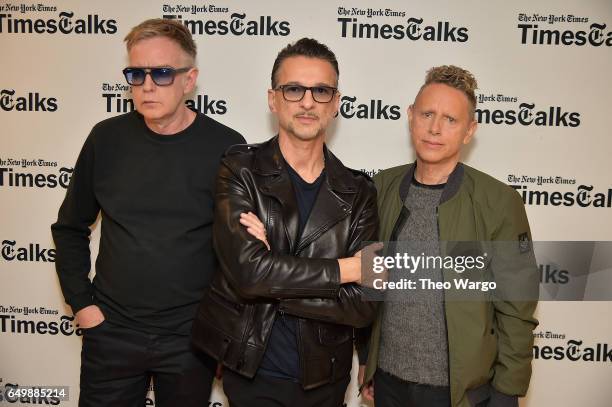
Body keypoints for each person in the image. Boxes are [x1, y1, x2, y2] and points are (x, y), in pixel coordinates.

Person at [51, 18, 244, 407]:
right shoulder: (105, 139)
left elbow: (237, 252)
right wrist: (83, 306)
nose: (147, 85)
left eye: (161, 73)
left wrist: (223, 329)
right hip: (112, 332)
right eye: (136, 74)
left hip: (191, 337)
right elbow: (70, 227)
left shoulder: (227, 147)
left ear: (189, 80)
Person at [190, 38, 378, 407]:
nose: (307, 102)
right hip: (252, 371)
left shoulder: (358, 191)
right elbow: (248, 275)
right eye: (293, 89)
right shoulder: (240, 169)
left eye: (321, 91)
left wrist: (272, 274)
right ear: (273, 99)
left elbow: (362, 305)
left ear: (336, 103)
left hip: (326, 376)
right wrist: (346, 269)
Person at [358, 65, 539, 407]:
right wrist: (369, 358)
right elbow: (369, 281)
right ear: (411, 116)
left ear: (469, 130)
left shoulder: (498, 202)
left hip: (460, 394)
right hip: (389, 384)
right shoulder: (380, 187)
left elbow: (517, 305)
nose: (435, 128)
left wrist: (507, 392)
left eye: (450, 120)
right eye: (427, 114)